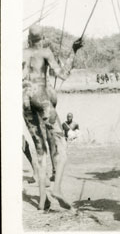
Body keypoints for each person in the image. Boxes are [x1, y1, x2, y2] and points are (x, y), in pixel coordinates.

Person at [22, 24, 83, 211]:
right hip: (41, 98)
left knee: (39, 150)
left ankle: (42, 201)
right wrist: (73, 52)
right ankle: (56, 189)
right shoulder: (45, 52)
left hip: (24, 101)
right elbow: (62, 74)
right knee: (61, 144)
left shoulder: (21, 53)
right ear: (42, 38)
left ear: (29, 39)